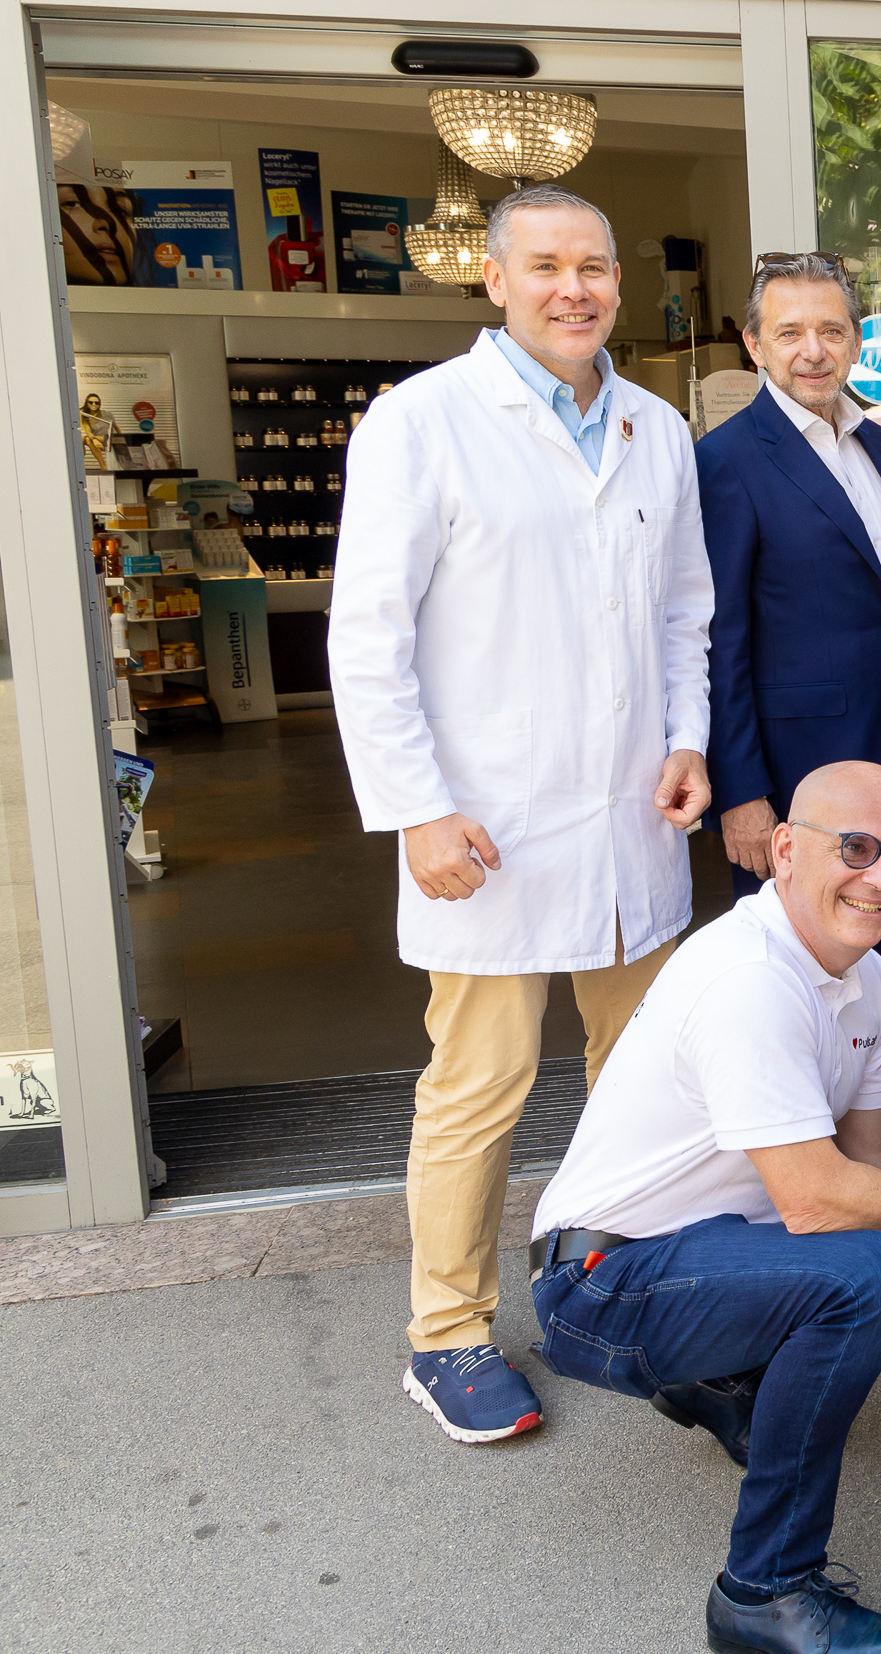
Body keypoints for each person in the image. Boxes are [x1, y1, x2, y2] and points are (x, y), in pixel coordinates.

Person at [529, 762, 881, 1654]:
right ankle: (764, 1592)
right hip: (598, 1282)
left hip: (703, 1250)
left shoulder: (863, 974)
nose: (880, 877)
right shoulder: (748, 977)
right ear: (784, 850)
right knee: (863, 1274)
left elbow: (874, 1154)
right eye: (855, 848)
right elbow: (819, 1197)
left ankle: (723, 1384)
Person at [329, 184, 714, 1445]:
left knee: (639, 1070)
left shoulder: (656, 427)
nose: (573, 288)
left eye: (592, 265)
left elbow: (684, 614)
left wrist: (689, 739)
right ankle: (446, 1334)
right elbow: (368, 638)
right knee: (479, 1084)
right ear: (493, 280)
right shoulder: (423, 421)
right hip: (485, 828)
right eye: (544, 265)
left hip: (631, 815)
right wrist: (417, 811)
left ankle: (617, 1283)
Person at [698, 250, 881, 1036]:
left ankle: (878, 1089)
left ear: (856, 341)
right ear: (754, 344)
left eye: (832, 331)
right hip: (792, 769)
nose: (814, 350)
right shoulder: (726, 461)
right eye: (790, 332)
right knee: (796, 962)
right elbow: (720, 638)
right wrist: (739, 791)